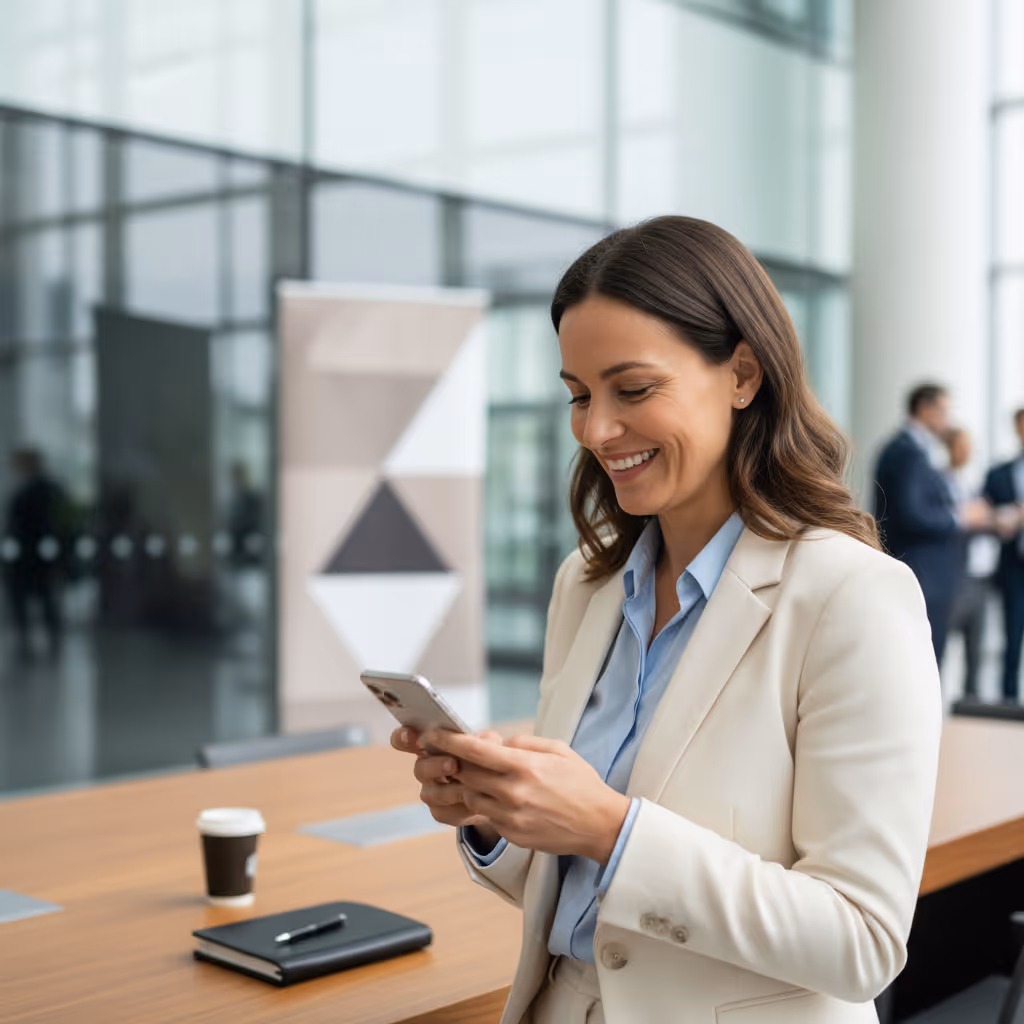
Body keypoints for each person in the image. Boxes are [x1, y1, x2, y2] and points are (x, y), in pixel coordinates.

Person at [391, 217, 942, 1023]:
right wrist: (496, 818)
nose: (595, 430)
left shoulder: (851, 596)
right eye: (579, 395)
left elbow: (860, 941)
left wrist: (610, 829)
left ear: (742, 375)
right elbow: (583, 903)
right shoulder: (586, 586)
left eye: (633, 390)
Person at [873, 384, 989, 662]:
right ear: (925, 409)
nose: (948, 420)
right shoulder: (907, 452)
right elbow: (911, 513)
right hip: (923, 574)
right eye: (944, 411)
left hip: (928, 573)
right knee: (924, 659)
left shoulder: (916, 450)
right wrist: (960, 516)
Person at [944, 428, 997, 700]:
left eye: (969, 446)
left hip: (981, 576)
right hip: (956, 577)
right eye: (961, 446)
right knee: (943, 642)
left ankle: (970, 703)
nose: (966, 452)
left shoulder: (971, 483)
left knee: (975, 649)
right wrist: (971, 516)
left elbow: (980, 518)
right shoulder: (941, 481)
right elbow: (954, 520)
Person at [3, 448, 67, 658]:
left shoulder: (47, 490)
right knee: (27, 596)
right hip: (26, 553)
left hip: (36, 553)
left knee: (43, 596)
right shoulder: (25, 489)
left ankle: (49, 638)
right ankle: (29, 638)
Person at [982, 408, 1024, 703]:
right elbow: (982, 513)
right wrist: (1005, 518)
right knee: (1012, 635)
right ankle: (1008, 702)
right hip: (1014, 567)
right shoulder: (998, 473)